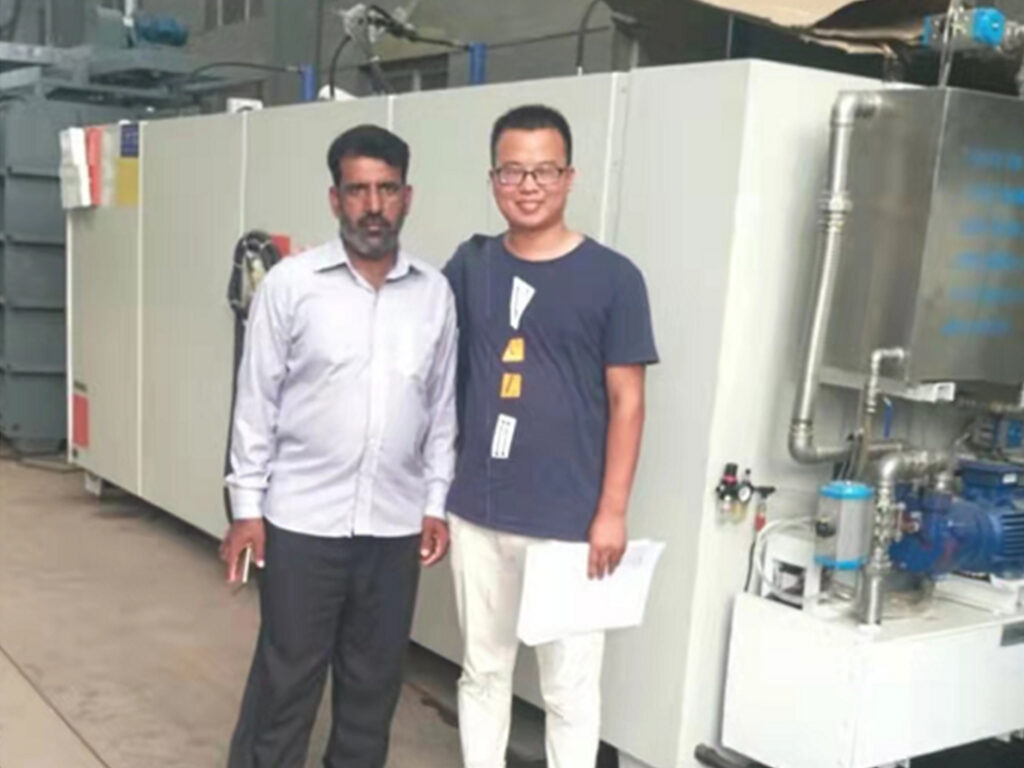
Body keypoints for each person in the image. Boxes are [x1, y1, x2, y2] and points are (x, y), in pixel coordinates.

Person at [220, 124, 457, 768]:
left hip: (393, 527)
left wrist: (434, 503)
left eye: (387, 189)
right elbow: (256, 403)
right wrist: (247, 510)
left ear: (407, 197)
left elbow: (441, 410)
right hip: (302, 522)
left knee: (371, 691)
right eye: (358, 190)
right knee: (285, 683)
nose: (373, 206)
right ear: (335, 199)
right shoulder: (291, 286)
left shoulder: (433, 295)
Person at [442, 105, 658, 767]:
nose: (528, 185)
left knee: (569, 691)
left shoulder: (614, 277)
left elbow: (627, 401)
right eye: (513, 171)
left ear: (569, 177)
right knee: (483, 671)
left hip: (569, 523)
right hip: (476, 512)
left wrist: (611, 512)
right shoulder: (471, 266)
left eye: (544, 171)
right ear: (493, 179)